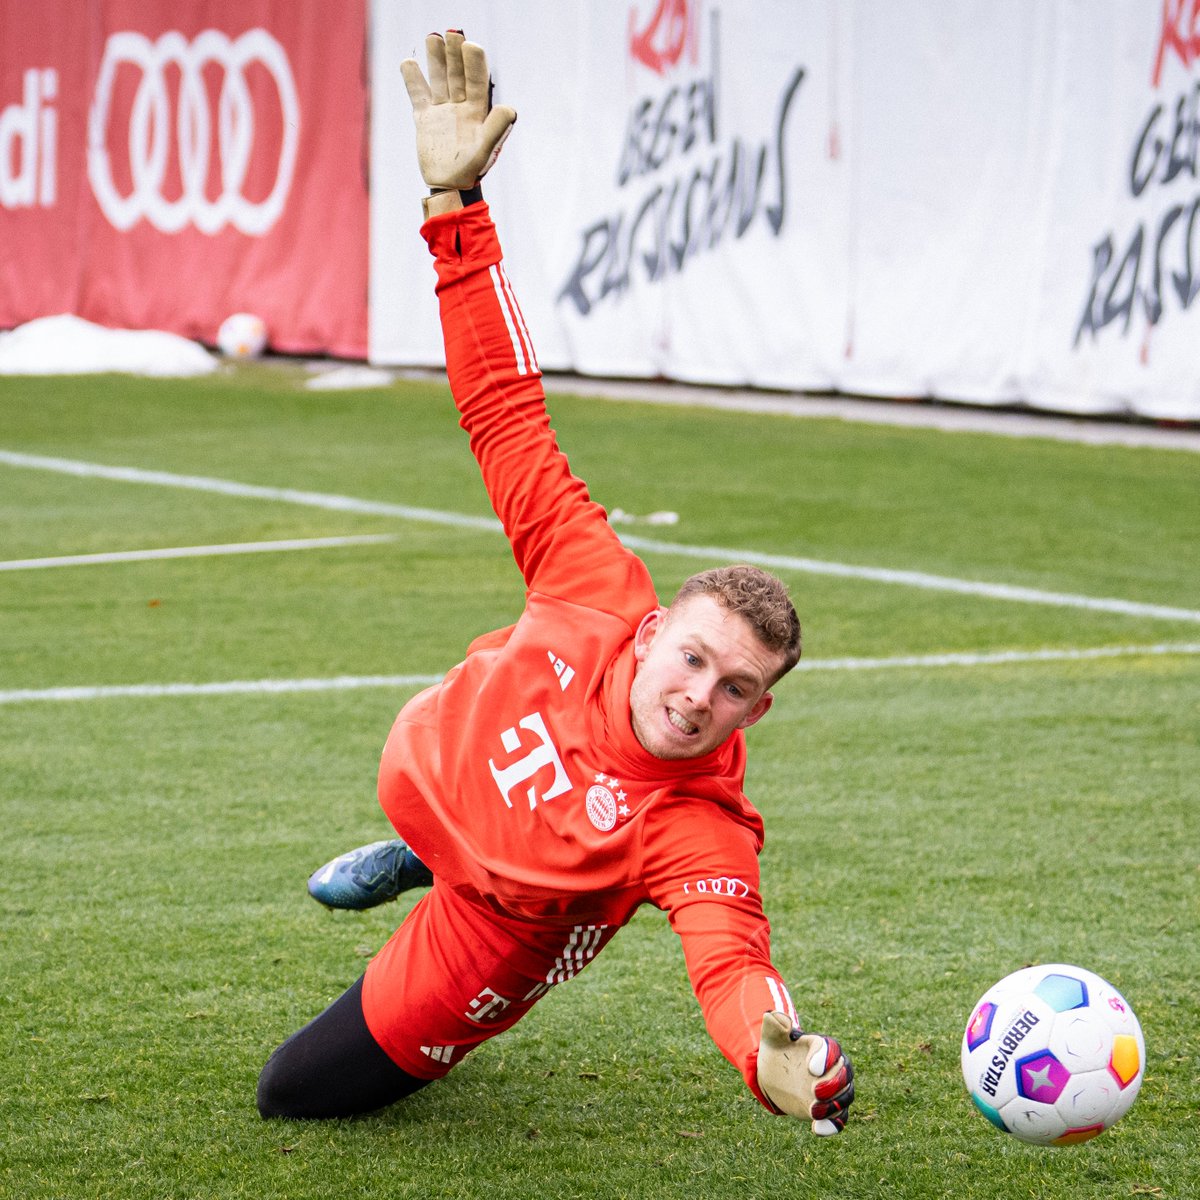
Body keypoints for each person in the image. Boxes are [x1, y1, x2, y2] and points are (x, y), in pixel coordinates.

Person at [256, 30, 854, 1135]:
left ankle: (446, 878)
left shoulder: (698, 824)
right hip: (429, 775)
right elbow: (503, 407)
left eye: (735, 690)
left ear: (759, 710)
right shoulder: (590, 578)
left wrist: (778, 1054)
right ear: (651, 627)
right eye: (693, 657)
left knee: (295, 1096)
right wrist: (455, 205)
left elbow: (733, 968)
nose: (697, 697)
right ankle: (419, 852)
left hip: (503, 918)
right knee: (416, 799)